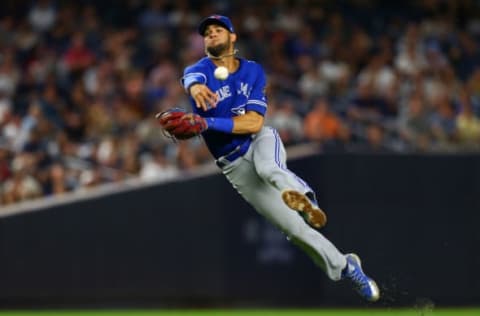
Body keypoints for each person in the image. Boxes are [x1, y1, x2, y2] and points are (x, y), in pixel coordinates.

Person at [177, 14, 380, 302]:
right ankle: (347, 266)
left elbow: (253, 124)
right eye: (207, 32)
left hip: (259, 141)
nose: (211, 34)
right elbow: (191, 79)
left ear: (232, 37)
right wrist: (194, 87)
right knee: (294, 230)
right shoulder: (198, 71)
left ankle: (308, 202)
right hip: (234, 166)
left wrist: (207, 124)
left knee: (270, 168)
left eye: (218, 30)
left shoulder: (252, 71)